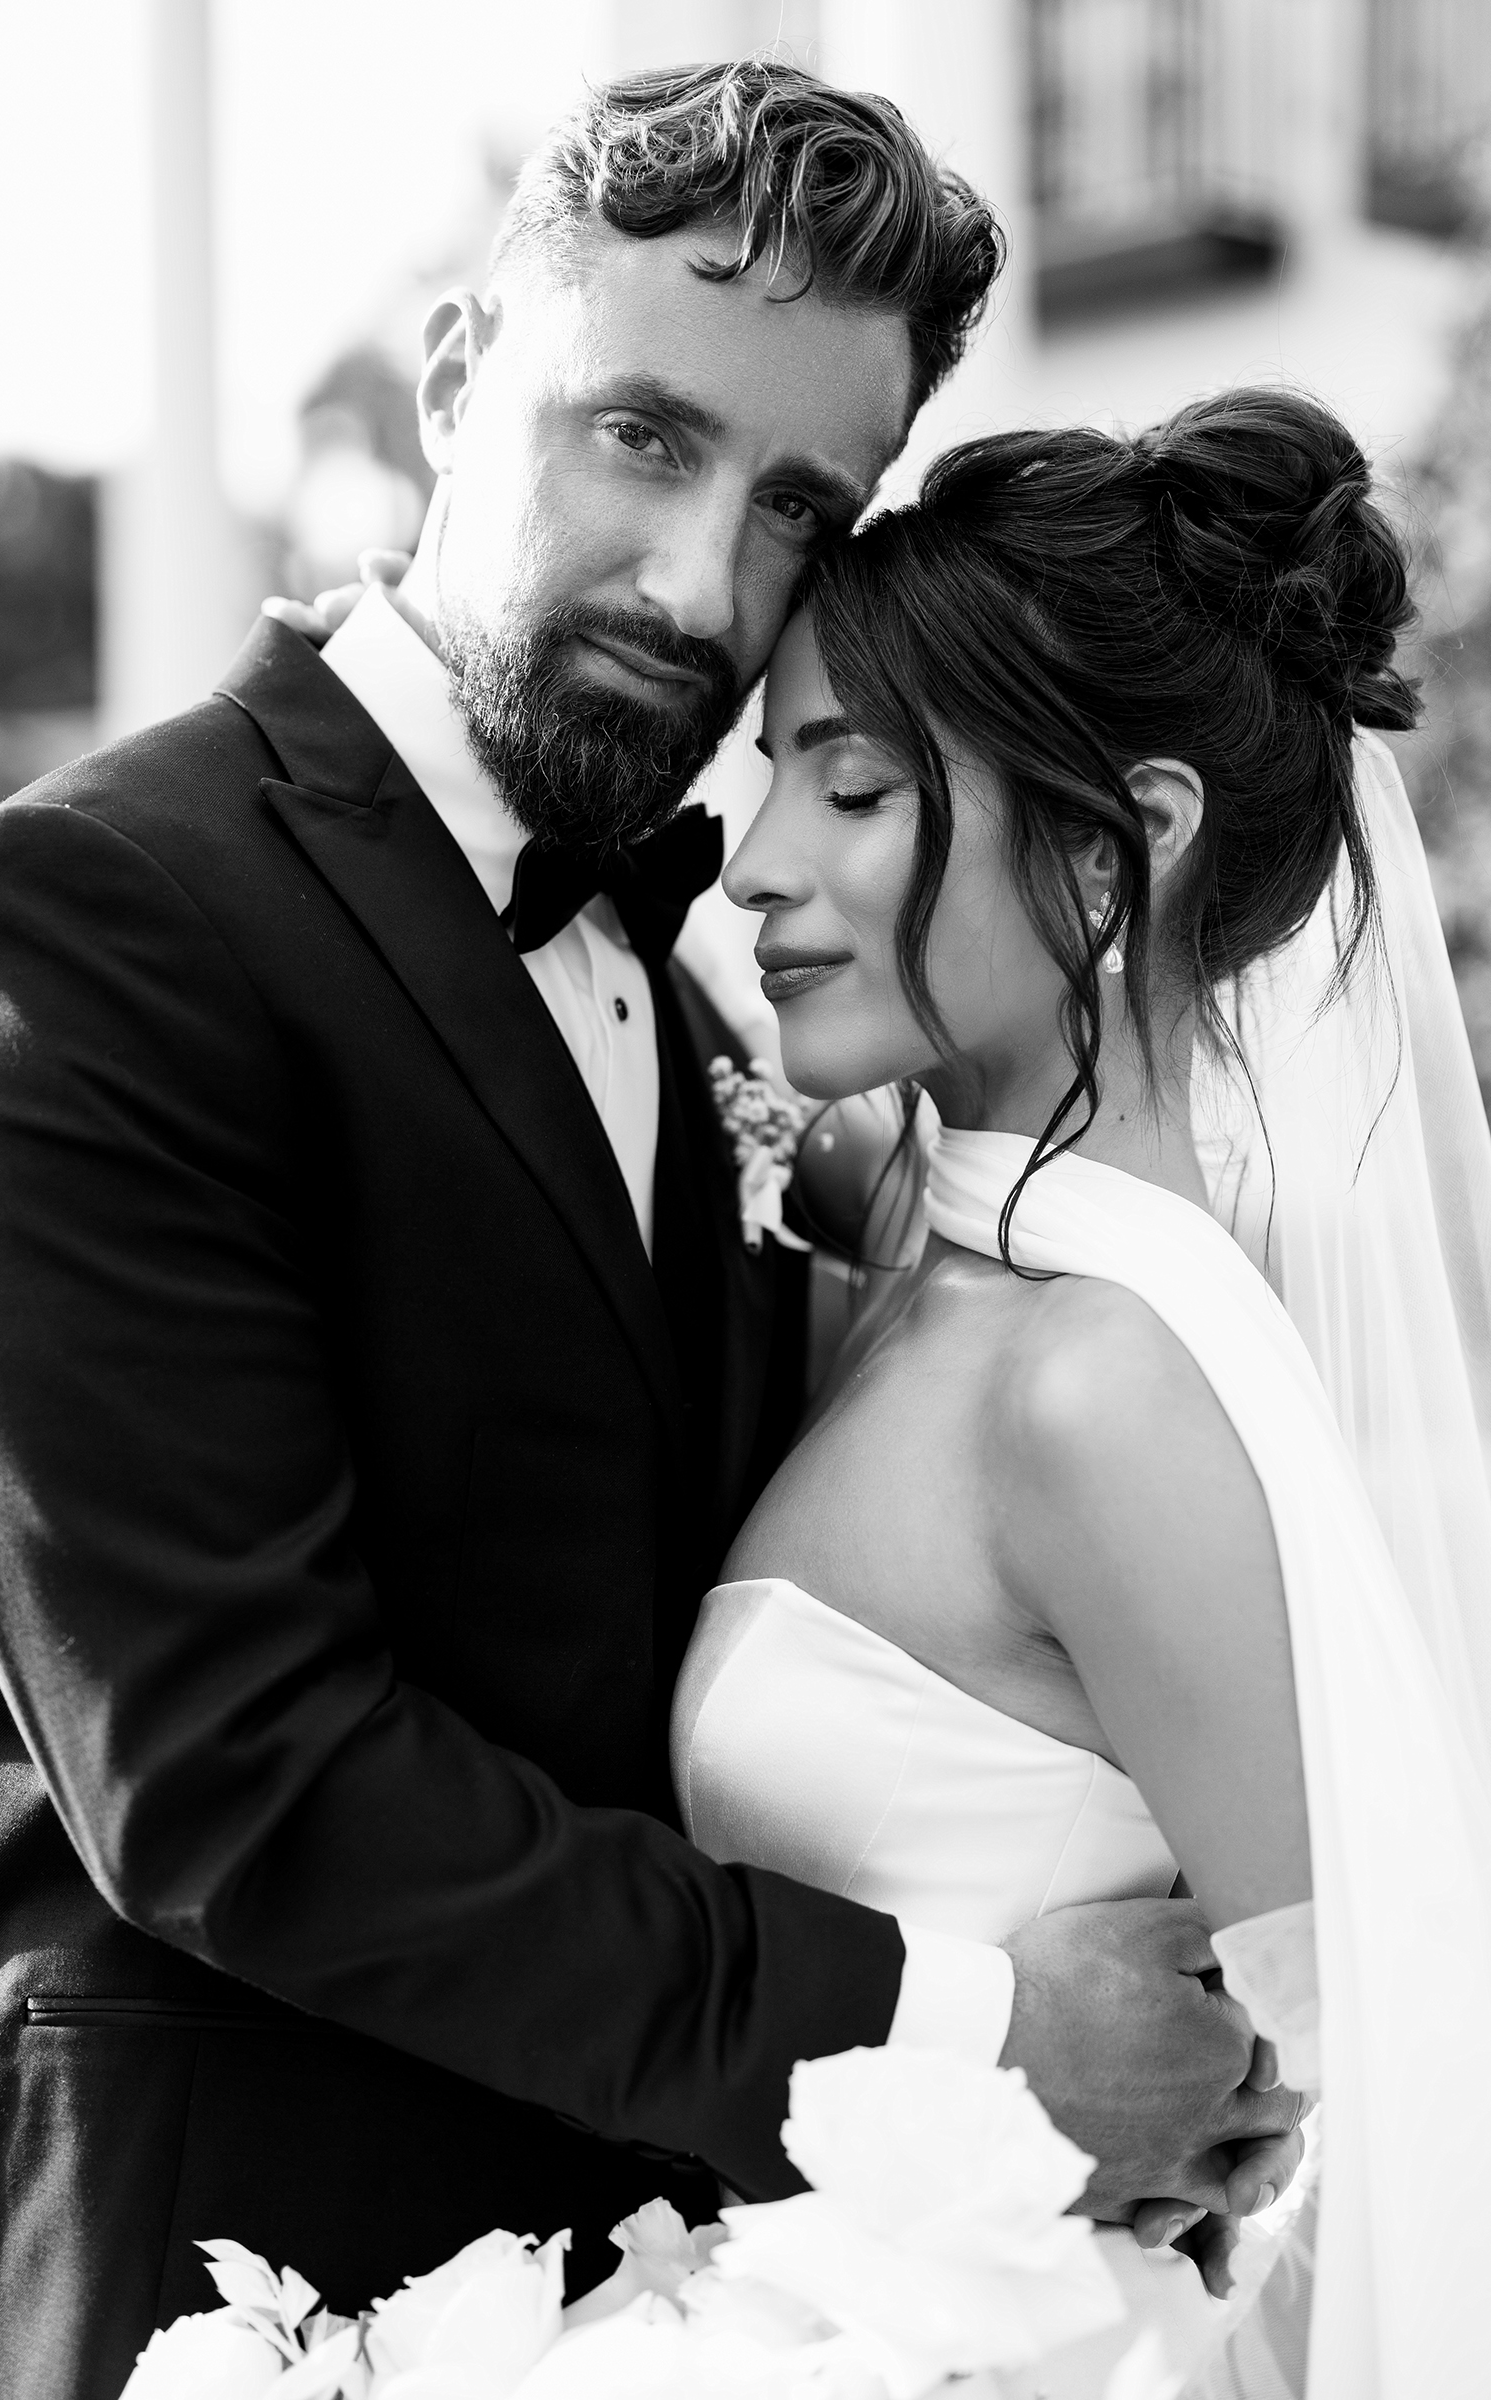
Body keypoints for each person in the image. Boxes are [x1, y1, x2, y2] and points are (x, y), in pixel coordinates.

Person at [0, 63, 1298, 2400]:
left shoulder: (686, 979)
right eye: (635, 437)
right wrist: (964, 2031)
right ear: (454, 383)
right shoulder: (88, 921)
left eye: (790, 510)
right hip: (233, 2283)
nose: (697, 586)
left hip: (688, 2287)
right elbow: (241, 1778)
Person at [677, 390, 1491, 2396]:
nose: (755, 867)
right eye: (770, 775)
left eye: (851, 791)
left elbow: (1371, 2103)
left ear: (1116, 846)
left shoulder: (1098, 1389)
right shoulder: (950, 1271)